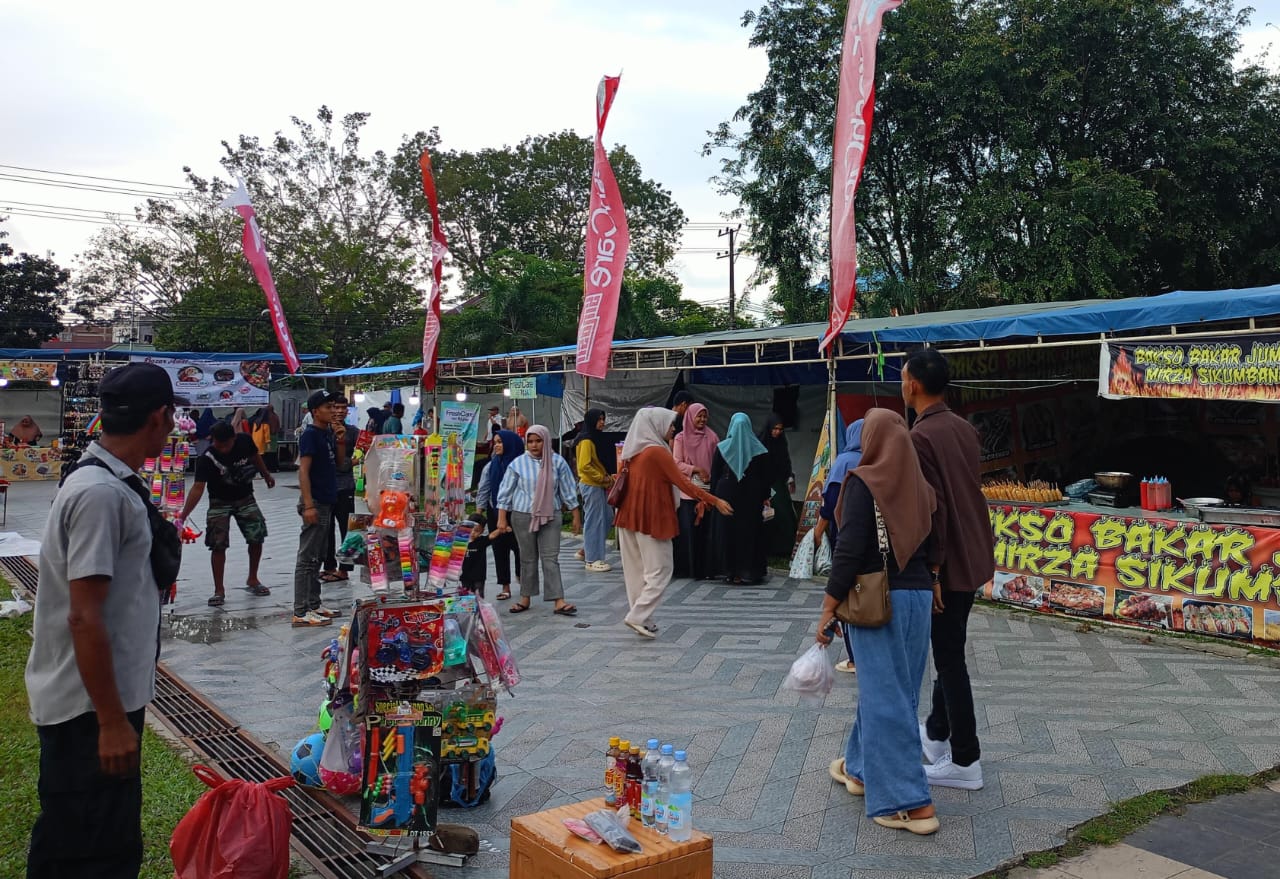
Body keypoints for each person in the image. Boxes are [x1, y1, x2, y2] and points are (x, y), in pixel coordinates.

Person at [25, 362, 185, 877]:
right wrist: (112, 723)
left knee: (97, 839)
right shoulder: (100, 494)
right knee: (91, 852)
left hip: (99, 698)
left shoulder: (109, 481)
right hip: (88, 709)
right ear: (160, 416)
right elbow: (83, 616)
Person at [817, 408, 941, 836]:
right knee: (893, 691)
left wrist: (828, 606)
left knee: (887, 698)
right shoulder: (922, 487)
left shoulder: (863, 482)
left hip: (878, 600)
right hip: (919, 597)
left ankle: (908, 801)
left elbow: (849, 551)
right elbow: (935, 542)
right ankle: (860, 767)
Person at [902, 348, 995, 791]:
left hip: (949, 562)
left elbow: (933, 508)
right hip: (974, 553)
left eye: (903, 377)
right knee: (950, 648)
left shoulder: (919, 438)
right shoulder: (962, 427)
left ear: (914, 384)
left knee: (950, 659)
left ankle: (965, 760)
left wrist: (933, 571)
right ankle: (936, 733)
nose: (902, 384)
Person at [614, 408, 732, 639]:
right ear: (656, 425)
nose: (673, 429)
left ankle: (642, 617)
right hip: (651, 517)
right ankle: (637, 616)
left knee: (637, 571)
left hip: (628, 516)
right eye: (669, 424)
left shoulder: (633, 450)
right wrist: (714, 500)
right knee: (661, 570)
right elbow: (684, 482)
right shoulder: (657, 452)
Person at [176, 421, 275, 606]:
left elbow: (255, 457)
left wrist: (266, 475)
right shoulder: (206, 458)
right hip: (218, 502)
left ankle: (253, 578)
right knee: (217, 544)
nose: (221, 448)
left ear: (234, 438)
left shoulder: (244, 442)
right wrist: (183, 516)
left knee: (257, 535)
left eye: (225, 444)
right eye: (217, 444)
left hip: (245, 497)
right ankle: (219, 590)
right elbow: (197, 489)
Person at [495, 425, 581, 616]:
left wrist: (575, 514)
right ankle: (525, 597)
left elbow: (568, 489)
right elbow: (505, 492)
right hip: (523, 515)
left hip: (551, 515)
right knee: (527, 558)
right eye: (530, 441)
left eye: (538, 441)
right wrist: (502, 518)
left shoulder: (557, 462)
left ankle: (558, 600)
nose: (534, 445)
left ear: (546, 440)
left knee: (551, 558)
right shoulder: (517, 464)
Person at [293, 390, 345, 627]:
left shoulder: (328, 434)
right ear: (316, 411)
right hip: (316, 501)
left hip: (328, 499)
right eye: (328, 407)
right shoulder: (310, 435)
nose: (333, 411)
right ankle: (301, 611)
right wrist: (308, 504)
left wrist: (341, 439)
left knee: (318, 557)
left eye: (334, 406)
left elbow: (341, 463)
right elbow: (303, 470)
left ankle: (314, 603)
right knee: (307, 557)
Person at [709, 412, 773, 584]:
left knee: (728, 533)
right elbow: (765, 477)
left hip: (726, 495)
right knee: (749, 533)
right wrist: (765, 496)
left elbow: (715, 474)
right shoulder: (759, 449)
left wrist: (714, 497)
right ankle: (748, 570)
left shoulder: (722, 447)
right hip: (751, 498)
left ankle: (729, 570)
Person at [671, 403, 718, 579]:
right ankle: (688, 569)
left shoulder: (712, 437)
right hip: (688, 492)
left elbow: (717, 461)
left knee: (705, 533)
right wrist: (696, 469)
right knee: (689, 532)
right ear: (690, 417)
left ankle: (705, 569)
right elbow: (676, 463)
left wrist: (710, 475)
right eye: (699, 416)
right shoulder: (680, 438)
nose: (702, 419)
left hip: (707, 491)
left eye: (705, 416)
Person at [476, 430, 523, 601]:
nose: (496, 445)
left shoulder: (521, 465)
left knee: (521, 549)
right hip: (495, 512)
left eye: (500, 442)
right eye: (495, 442)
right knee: (499, 549)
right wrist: (478, 516)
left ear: (510, 444)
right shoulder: (491, 466)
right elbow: (484, 490)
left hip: (518, 513)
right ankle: (505, 586)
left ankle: (522, 578)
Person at [815, 420, 865, 554]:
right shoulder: (876, 458)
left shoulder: (844, 460)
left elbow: (832, 498)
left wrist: (819, 530)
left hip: (844, 524)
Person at [575, 408, 616, 571]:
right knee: (595, 521)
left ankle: (587, 549)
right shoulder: (586, 440)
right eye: (599, 419)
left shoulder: (593, 438)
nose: (602, 422)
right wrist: (603, 478)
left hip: (597, 485)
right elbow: (584, 466)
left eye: (603, 419)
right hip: (591, 484)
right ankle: (593, 560)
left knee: (607, 517)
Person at [323, 394, 358, 584]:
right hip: (326, 487)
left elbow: (360, 454)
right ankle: (328, 566)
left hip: (345, 486)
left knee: (348, 529)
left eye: (343, 408)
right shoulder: (322, 431)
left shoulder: (353, 432)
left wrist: (351, 462)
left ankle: (344, 569)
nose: (339, 412)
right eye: (335, 407)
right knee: (326, 529)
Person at [760, 413, 798, 558]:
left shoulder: (781, 443)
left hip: (778, 484)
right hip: (764, 484)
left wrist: (789, 476)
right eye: (774, 429)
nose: (777, 432)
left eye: (780, 429)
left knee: (784, 515)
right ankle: (769, 549)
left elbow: (785, 461)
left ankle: (785, 548)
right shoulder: (761, 443)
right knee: (768, 516)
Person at [460, 512, 490, 598]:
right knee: (465, 596)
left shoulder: (482, 541)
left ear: (482, 531)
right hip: (464, 576)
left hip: (479, 576)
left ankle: (480, 610)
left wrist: (500, 530)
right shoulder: (461, 540)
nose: (473, 533)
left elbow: (491, 536)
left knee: (479, 596)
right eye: (471, 529)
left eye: (476, 531)